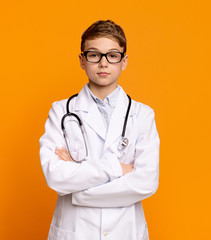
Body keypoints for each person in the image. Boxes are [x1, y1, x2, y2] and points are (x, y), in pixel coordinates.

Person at [39, 20, 160, 240]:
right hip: (76, 231)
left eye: (112, 55)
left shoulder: (143, 114)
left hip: (125, 231)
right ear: (82, 60)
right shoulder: (61, 111)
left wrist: (79, 189)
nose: (103, 63)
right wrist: (117, 168)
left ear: (123, 61)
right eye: (94, 55)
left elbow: (146, 182)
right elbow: (56, 177)